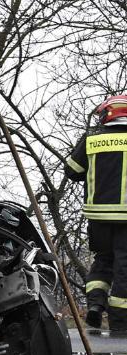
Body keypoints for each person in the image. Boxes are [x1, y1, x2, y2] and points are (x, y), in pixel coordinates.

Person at [65, 95, 127, 332]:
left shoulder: (92, 140)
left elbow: (72, 170)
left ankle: (95, 305)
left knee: (103, 261)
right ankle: (121, 323)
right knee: (124, 267)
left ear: (106, 114)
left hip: (98, 218)